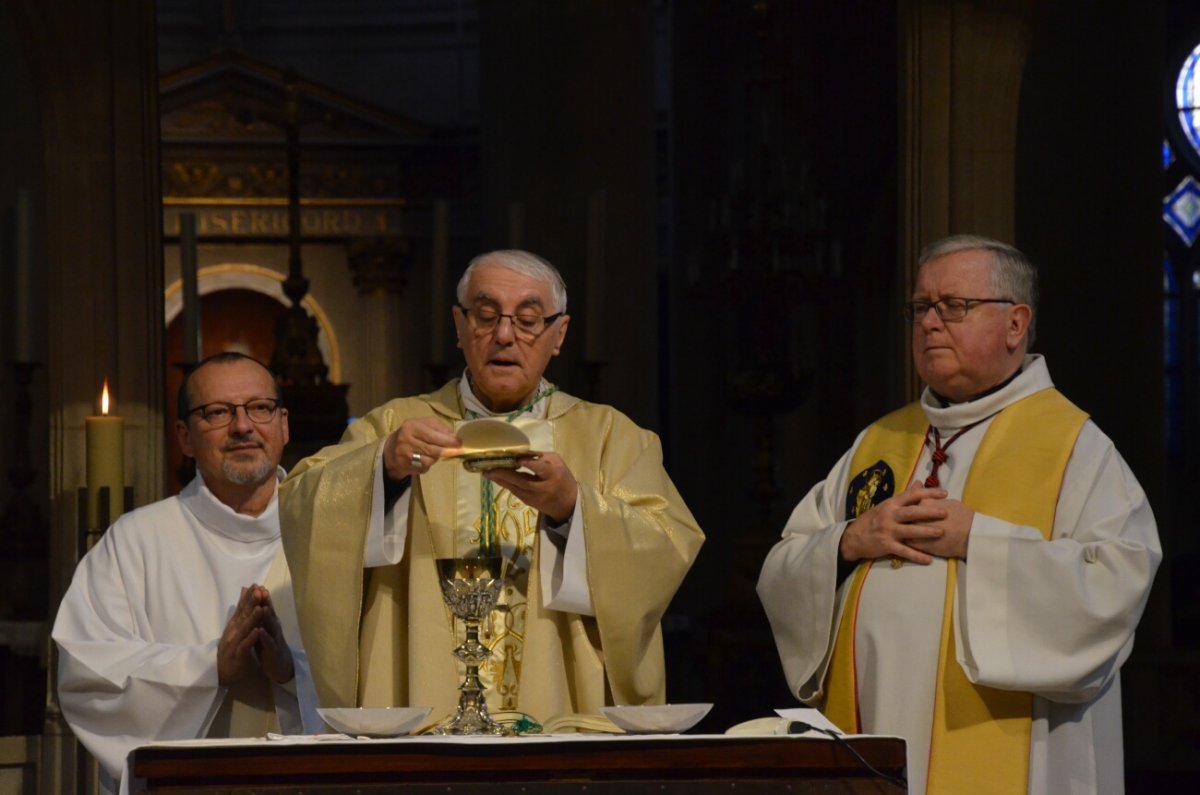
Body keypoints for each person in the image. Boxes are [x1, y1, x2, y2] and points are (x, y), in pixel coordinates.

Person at [757, 235, 1160, 795]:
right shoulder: (880, 441)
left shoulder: (1075, 447)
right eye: (921, 307)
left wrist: (981, 540)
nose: (929, 323)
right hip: (877, 718)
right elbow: (781, 568)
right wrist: (850, 540)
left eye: (954, 307)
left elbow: (1118, 580)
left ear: (1016, 324)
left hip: (1017, 751)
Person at [280, 249, 704, 724]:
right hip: (424, 708)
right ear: (459, 327)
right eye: (486, 316)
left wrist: (573, 507)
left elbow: (668, 544)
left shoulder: (610, 437)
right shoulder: (395, 426)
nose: (504, 335)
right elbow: (301, 502)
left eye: (528, 320)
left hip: (560, 709)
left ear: (558, 334)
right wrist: (381, 470)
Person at [53, 352, 321, 794]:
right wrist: (209, 667)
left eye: (260, 407)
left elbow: (376, 683)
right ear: (184, 437)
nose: (242, 426)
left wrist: (290, 673)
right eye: (217, 412)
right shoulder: (135, 542)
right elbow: (88, 678)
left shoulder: (328, 535)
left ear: (284, 424)